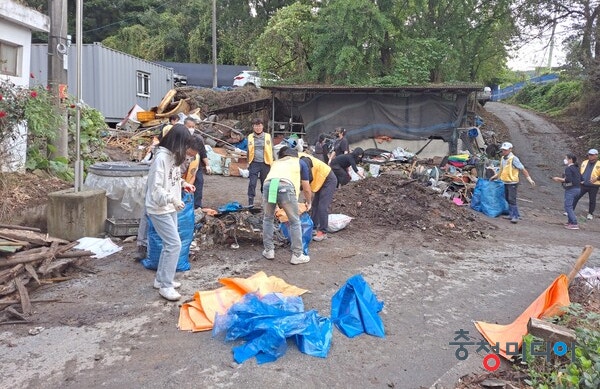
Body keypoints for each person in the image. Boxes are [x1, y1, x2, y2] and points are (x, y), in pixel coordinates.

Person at [145, 124, 195, 301]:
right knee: (174, 244)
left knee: (170, 245)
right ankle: (166, 286)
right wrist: (172, 199)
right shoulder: (160, 159)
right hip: (159, 209)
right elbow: (155, 189)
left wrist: (183, 184)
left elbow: (172, 178)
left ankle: (161, 279)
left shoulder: (172, 157)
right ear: (177, 142)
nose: (186, 150)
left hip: (170, 207)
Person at [262, 147, 312, 265]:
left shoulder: (276, 163)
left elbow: (273, 180)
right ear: (295, 155)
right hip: (285, 186)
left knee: (268, 218)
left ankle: (269, 251)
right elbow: (306, 186)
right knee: (294, 221)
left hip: (269, 185)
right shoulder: (300, 162)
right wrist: (309, 202)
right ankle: (297, 255)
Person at [490, 142, 536, 223]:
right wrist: (495, 176)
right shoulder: (503, 159)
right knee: (507, 198)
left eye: (505, 150)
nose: (503, 152)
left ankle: (515, 216)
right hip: (505, 182)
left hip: (512, 183)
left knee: (512, 199)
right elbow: (502, 170)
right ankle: (512, 214)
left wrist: (529, 179)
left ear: (510, 150)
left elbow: (522, 169)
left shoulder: (514, 159)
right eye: (503, 150)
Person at [299, 151, 338, 241]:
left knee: (322, 206)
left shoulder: (303, 160)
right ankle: (313, 227)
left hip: (328, 179)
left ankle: (323, 232)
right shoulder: (295, 160)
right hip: (320, 180)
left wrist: (307, 200)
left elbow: (307, 182)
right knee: (315, 205)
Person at [183, 117, 211, 209]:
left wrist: (207, 165)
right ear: (184, 126)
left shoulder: (198, 138)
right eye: (189, 126)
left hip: (195, 165)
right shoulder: (181, 137)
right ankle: (183, 203)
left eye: (193, 126)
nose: (191, 128)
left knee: (199, 182)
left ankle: (197, 205)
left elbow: (203, 152)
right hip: (182, 163)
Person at [247, 118, 273, 206]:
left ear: (262, 126)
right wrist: (248, 162)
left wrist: (273, 162)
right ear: (253, 127)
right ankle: (250, 202)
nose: (258, 128)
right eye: (256, 126)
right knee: (252, 183)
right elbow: (248, 150)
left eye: (259, 126)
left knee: (264, 183)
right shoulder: (250, 137)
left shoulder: (268, 136)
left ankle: (264, 201)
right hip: (254, 163)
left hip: (265, 163)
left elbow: (272, 150)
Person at [552, 154, 582, 229]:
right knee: (570, 206)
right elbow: (581, 179)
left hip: (571, 189)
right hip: (578, 189)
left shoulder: (568, 169)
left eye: (566, 158)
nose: (564, 160)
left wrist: (558, 179)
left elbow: (568, 180)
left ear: (570, 160)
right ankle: (570, 222)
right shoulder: (576, 168)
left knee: (568, 206)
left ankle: (574, 223)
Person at [573, 148, 600, 220]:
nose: (590, 156)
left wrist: (597, 178)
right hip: (583, 184)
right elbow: (580, 172)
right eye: (589, 155)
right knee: (576, 197)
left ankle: (590, 214)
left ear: (596, 155)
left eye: (592, 155)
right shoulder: (584, 162)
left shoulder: (599, 164)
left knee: (592, 200)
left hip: (594, 185)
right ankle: (570, 210)